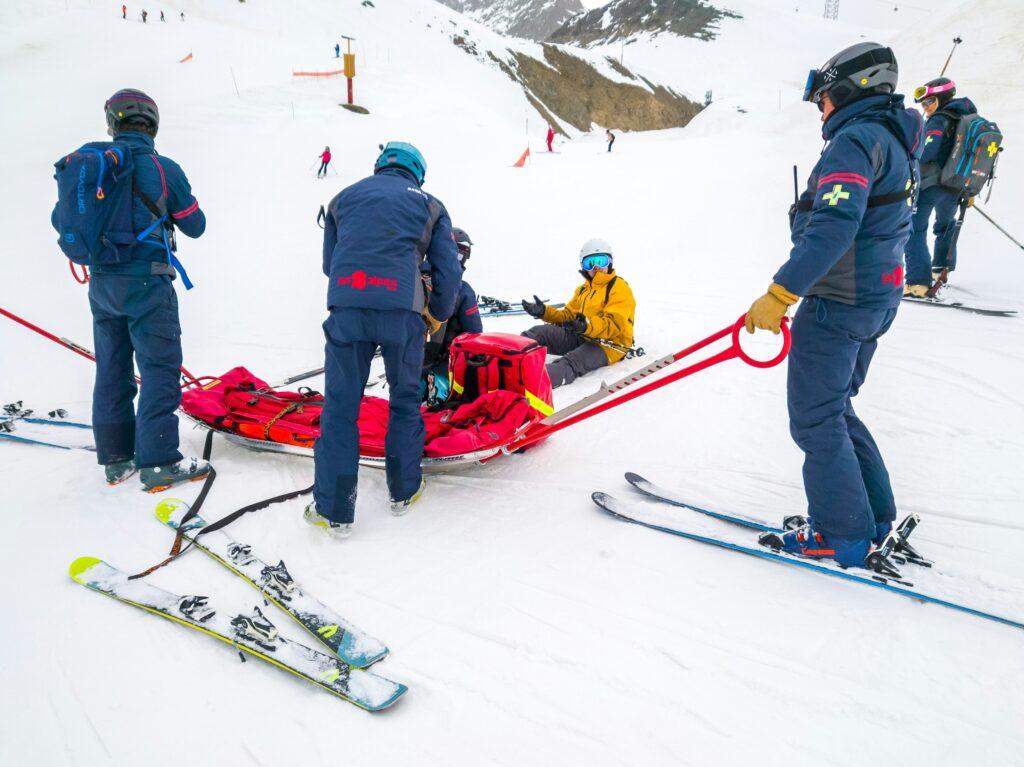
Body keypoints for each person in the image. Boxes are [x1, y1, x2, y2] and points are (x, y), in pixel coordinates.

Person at [745, 43, 921, 569]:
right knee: (836, 408)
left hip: (839, 303)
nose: (821, 110)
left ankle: (842, 536)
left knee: (815, 419)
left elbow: (834, 228)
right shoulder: (893, 137)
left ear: (850, 90)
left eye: (823, 99)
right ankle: (871, 518)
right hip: (875, 298)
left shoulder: (856, 140)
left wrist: (781, 292)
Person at [54, 89, 209, 490]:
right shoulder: (163, 168)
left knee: (111, 368)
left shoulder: (95, 168)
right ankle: (158, 461)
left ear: (113, 123)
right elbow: (196, 225)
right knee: (158, 368)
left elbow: (62, 217)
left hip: (103, 285)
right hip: (148, 282)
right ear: (152, 125)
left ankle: (115, 457)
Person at [307, 142, 460, 538]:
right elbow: (448, 272)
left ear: (380, 165)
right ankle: (404, 492)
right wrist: (438, 314)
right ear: (417, 172)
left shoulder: (343, 198)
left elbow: (329, 263)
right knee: (404, 401)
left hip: (348, 308)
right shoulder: (431, 205)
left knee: (341, 406)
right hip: (402, 315)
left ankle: (334, 511)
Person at [521, 239, 635, 388]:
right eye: (590, 263)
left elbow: (613, 324)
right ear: (584, 267)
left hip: (609, 345)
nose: (596, 267)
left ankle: (528, 383)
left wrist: (586, 326)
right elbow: (567, 316)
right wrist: (544, 312)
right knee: (539, 333)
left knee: (571, 361)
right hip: (583, 335)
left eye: (601, 261)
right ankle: (507, 359)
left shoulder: (619, 287)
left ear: (610, 263)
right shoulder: (583, 290)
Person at [904, 78, 974, 295]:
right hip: (955, 186)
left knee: (913, 229)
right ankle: (941, 270)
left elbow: (927, 153)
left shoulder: (938, 120)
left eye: (930, 102)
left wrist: (909, 153)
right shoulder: (966, 120)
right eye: (923, 104)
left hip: (931, 184)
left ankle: (917, 283)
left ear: (943, 97)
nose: (926, 108)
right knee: (945, 225)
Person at [421, 227, 482, 404]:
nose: (461, 263)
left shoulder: (414, 279)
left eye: (463, 257)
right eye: (459, 256)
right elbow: (475, 333)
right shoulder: (463, 291)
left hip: (409, 365)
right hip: (445, 367)